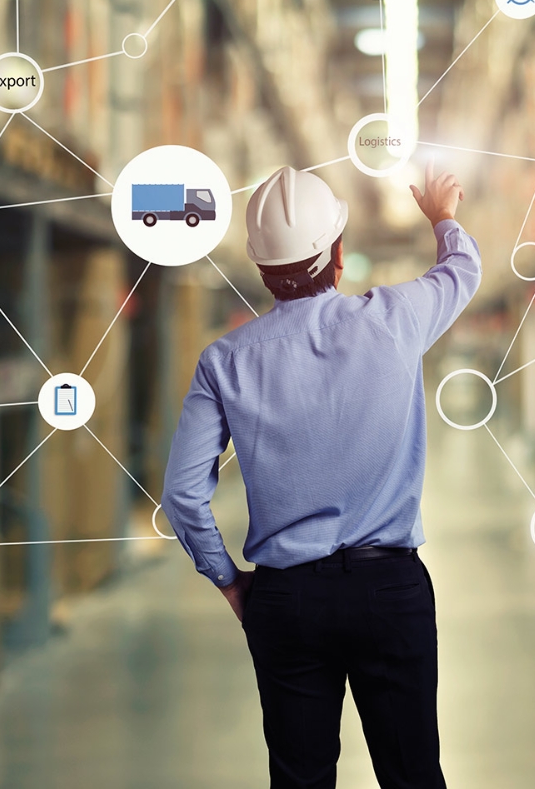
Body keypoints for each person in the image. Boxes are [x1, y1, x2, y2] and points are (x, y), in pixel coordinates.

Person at [161, 161, 481, 789]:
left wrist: (228, 581)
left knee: (300, 779)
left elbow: (182, 494)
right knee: (414, 773)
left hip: (287, 601)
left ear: (260, 267)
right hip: (391, 589)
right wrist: (443, 216)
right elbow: (462, 272)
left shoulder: (223, 361)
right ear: (338, 254)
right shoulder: (397, 318)